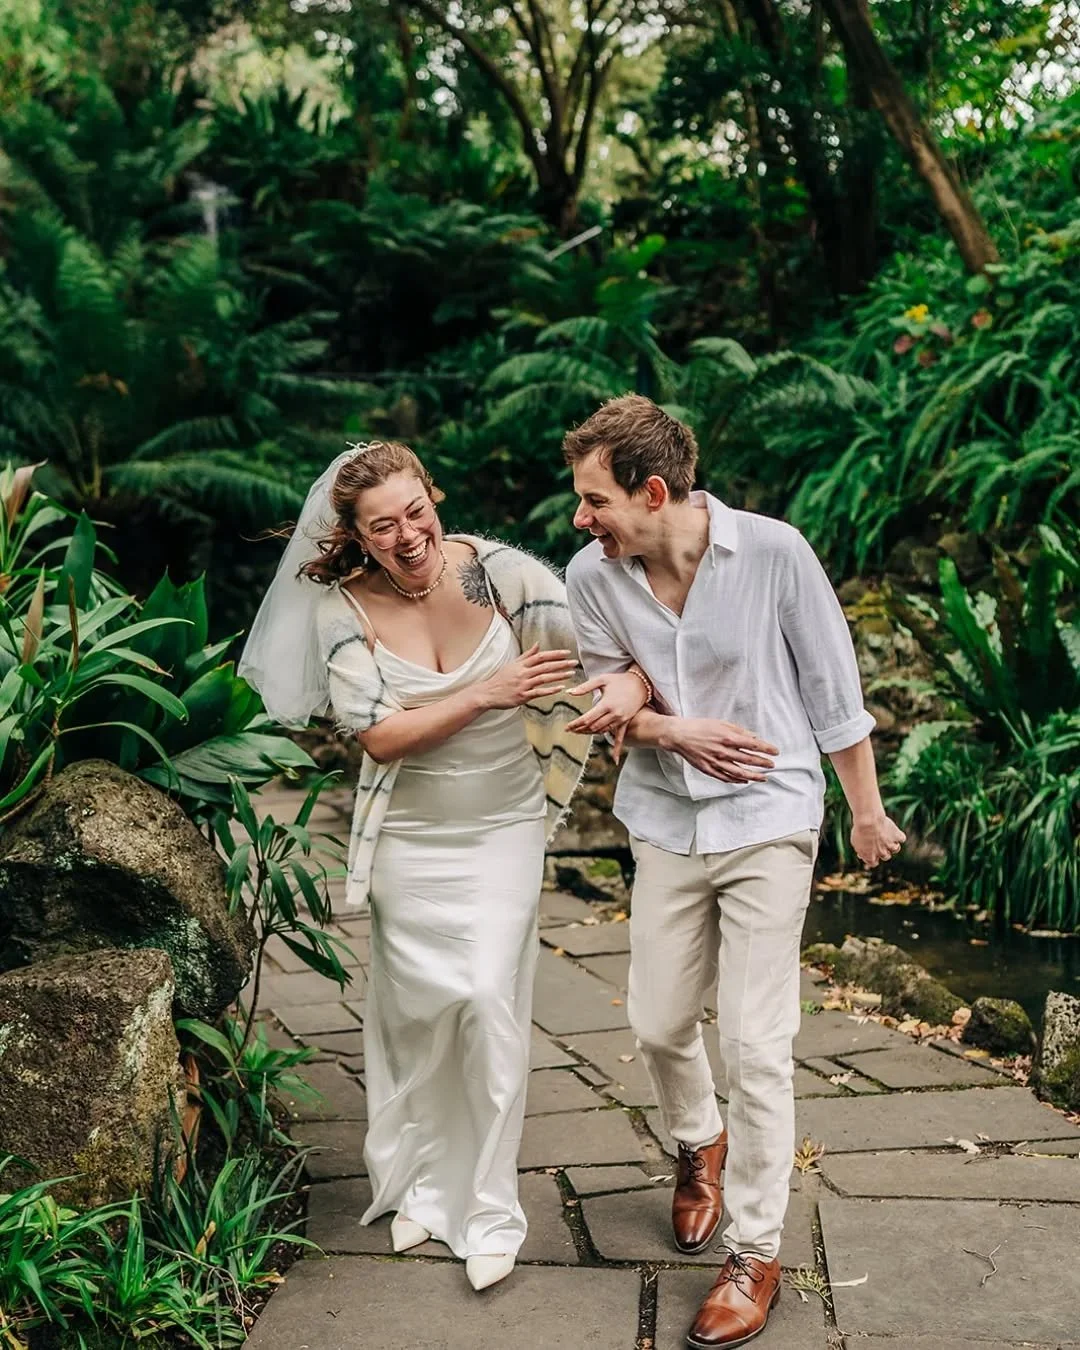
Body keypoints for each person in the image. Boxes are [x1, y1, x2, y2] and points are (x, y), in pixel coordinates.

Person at [239, 441, 647, 1293]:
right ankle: (422, 1182)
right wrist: (486, 694)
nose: (408, 536)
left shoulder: (506, 579)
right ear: (353, 533)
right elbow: (378, 735)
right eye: (382, 526)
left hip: (501, 826)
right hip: (407, 842)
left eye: (415, 512)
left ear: (434, 495)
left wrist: (637, 696)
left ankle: (490, 1205)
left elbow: (614, 650)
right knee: (416, 1015)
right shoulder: (341, 609)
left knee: (486, 1001)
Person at [561, 396, 905, 1349]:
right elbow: (611, 688)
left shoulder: (775, 554)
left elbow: (835, 694)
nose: (581, 518)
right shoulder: (595, 576)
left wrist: (866, 812)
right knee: (659, 1022)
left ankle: (756, 1251)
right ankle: (696, 1142)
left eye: (595, 500)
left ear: (655, 491)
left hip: (770, 817)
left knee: (759, 1044)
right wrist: (673, 726)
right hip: (665, 819)